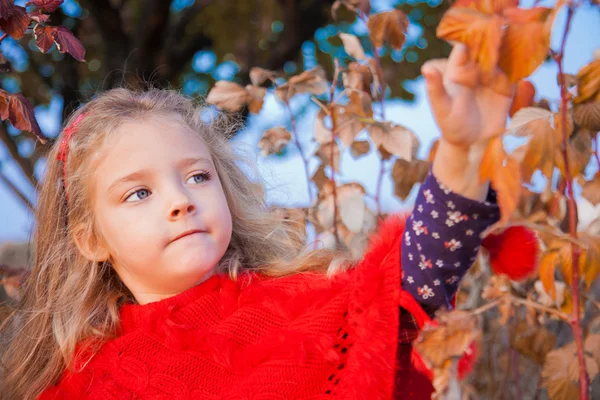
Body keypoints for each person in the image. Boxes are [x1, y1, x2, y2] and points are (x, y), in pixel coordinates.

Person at [0, 44, 535, 399]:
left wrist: (463, 160)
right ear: (91, 238)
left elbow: (406, 290)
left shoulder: (299, 309)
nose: (181, 201)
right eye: (139, 192)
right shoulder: (83, 382)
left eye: (197, 177)